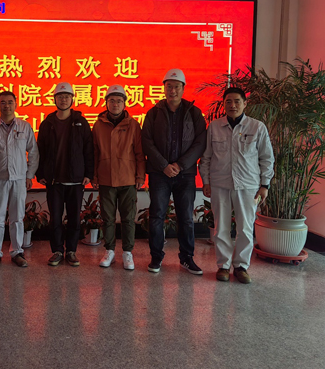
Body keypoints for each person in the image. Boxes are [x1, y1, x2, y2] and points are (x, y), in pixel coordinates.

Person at [199, 87, 274, 284]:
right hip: (220, 184)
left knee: (246, 228)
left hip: (248, 185)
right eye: (228, 102)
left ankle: (241, 266)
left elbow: (267, 158)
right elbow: (206, 157)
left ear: (244, 103)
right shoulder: (214, 127)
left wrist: (265, 185)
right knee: (221, 227)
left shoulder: (257, 127)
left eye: (237, 101)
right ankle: (223, 265)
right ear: (224, 104)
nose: (232, 105)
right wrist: (206, 181)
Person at [142, 68, 207, 274]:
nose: (172, 90)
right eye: (169, 86)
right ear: (164, 88)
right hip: (159, 174)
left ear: (183, 88)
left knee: (186, 217)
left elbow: (200, 142)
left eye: (176, 87)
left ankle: (187, 258)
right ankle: (156, 257)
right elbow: (147, 142)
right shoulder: (153, 113)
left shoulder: (194, 113)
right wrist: (163, 165)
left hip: (185, 175)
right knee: (157, 216)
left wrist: (180, 165)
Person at [36, 82, 94, 267]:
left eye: (67, 96)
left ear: (72, 99)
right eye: (60, 97)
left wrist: (89, 173)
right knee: (55, 218)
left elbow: (88, 150)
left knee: (74, 218)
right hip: (54, 181)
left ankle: (71, 251)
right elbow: (40, 151)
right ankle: (57, 251)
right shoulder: (47, 124)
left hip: (75, 180)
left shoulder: (81, 122)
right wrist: (40, 173)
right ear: (55, 99)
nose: (63, 100)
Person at [0, 91, 39, 268]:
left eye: (10, 102)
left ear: (16, 104)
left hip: (19, 180)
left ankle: (17, 252)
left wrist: (29, 175)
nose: (7, 106)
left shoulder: (25, 127)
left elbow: (33, 153)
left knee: (17, 218)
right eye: (3, 102)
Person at [92, 85, 145, 269]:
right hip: (106, 178)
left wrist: (140, 177)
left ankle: (128, 252)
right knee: (107, 218)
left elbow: (139, 153)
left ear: (124, 104)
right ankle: (110, 251)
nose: (115, 104)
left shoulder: (133, 124)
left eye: (119, 101)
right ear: (106, 103)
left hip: (127, 178)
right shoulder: (98, 125)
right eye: (112, 101)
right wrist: (94, 176)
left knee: (128, 218)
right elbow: (94, 153)